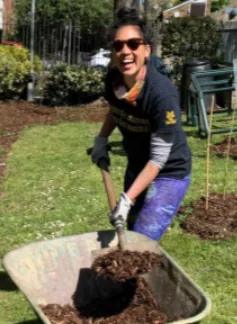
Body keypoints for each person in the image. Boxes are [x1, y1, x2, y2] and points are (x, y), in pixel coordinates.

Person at [89, 9, 192, 242]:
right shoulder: (113, 79)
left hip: (169, 172)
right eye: (118, 46)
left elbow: (157, 160)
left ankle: (141, 276)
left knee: (144, 237)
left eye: (134, 44)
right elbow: (116, 110)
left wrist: (127, 198)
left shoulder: (161, 94)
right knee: (132, 227)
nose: (125, 51)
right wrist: (101, 139)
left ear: (147, 50)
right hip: (137, 166)